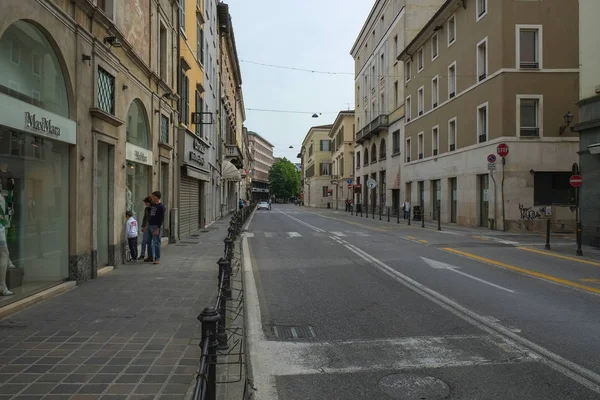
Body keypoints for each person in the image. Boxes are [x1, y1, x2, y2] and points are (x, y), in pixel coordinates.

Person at [148, 191, 166, 265]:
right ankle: (150, 257)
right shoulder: (153, 205)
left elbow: (161, 218)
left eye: (152, 196)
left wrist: (158, 228)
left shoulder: (161, 207)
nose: (151, 197)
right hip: (150, 225)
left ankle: (157, 258)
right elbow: (151, 216)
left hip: (156, 226)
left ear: (156, 197)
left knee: (156, 243)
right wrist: (147, 225)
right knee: (149, 242)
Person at [139, 197, 153, 262]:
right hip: (146, 227)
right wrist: (143, 226)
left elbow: (151, 219)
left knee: (151, 242)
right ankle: (142, 254)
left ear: (149, 202)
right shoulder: (146, 209)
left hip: (151, 226)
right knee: (144, 241)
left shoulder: (153, 208)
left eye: (146, 203)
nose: (145, 204)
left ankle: (151, 256)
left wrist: (146, 225)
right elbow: (145, 217)